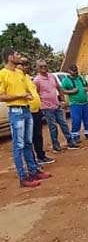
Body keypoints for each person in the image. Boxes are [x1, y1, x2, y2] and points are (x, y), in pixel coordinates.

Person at [0, 48, 52, 187]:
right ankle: (23, 177)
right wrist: (19, 96)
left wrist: (28, 95)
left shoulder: (19, 72)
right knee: (19, 145)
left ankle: (33, 171)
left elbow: (26, 89)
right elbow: (1, 96)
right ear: (10, 57)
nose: (20, 57)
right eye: (18, 54)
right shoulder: (2, 74)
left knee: (28, 143)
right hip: (16, 111)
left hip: (26, 109)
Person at [34, 59, 78, 151]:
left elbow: (59, 88)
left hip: (57, 105)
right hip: (47, 107)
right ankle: (56, 145)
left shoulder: (52, 76)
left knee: (64, 124)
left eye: (45, 66)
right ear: (38, 68)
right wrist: (41, 103)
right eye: (41, 66)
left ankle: (71, 142)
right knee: (52, 127)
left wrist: (62, 100)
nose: (44, 68)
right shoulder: (37, 80)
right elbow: (36, 93)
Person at [21, 62, 54, 166]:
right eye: (23, 64)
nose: (26, 66)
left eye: (26, 64)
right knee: (29, 138)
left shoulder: (27, 78)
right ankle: (32, 162)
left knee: (38, 136)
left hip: (36, 111)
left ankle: (41, 156)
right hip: (28, 111)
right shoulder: (20, 79)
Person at [60, 64, 88, 143]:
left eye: (76, 70)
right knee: (76, 120)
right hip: (75, 104)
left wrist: (87, 88)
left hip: (85, 103)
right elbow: (62, 90)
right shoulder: (66, 80)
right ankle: (75, 136)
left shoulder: (81, 78)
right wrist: (71, 91)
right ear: (69, 71)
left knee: (87, 119)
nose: (75, 72)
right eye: (73, 71)